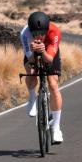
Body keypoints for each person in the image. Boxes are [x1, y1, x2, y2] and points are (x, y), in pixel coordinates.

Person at [21, 11, 64, 144]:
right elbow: (30, 60)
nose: (39, 36)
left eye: (41, 34)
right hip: (32, 54)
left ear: (47, 29)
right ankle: (32, 98)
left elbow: (50, 59)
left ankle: (56, 128)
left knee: (53, 84)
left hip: (49, 52)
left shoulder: (54, 32)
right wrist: (34, 51)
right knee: (31, 72)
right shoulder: (25, 34)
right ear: (30, 31)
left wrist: (43, 50)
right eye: (35, 34)